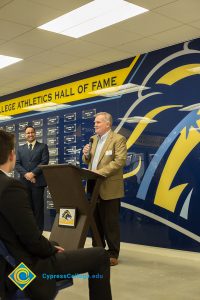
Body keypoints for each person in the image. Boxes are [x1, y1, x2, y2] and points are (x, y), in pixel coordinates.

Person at [0, 130, 112, 300]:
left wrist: (50, 246)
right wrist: (50, 250)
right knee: (100, 256)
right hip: (23, 271)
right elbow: (32, 239)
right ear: (11, 155)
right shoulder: (10, 188)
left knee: (54, 242)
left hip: (6, 263)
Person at [83, 112, 127, 266]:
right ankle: (98, 251)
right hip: (92, 185)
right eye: (95, 122)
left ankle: (113, 254)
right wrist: (85, 154)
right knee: (94, 220)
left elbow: (119, 161)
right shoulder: (93, 139)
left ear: (108, 124)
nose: (95, 124)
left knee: (110, 222)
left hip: (109, 186)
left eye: (98, 122)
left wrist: (99, 173)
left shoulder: (118, 139)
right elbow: (89, 160)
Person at [15, 125, 49, 231]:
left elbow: (44, 162)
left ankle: (39, 232)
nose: (30, 134)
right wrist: (27, 175)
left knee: (38, 208)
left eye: (32, 132)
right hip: (24, 183)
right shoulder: (20, 149)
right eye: (28, 133)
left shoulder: (43, 146)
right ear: (25, 135)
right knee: (27, 208)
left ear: (35, 133)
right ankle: (30, 231)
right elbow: (17, 164)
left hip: (38, 182)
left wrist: (33, 174)